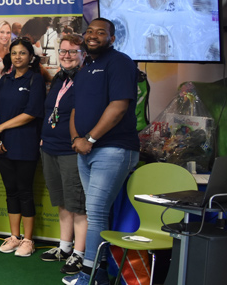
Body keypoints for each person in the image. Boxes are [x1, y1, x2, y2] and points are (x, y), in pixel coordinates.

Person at [63, 18, 139, 285]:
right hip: (85, 150)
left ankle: (89, 275)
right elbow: (75, 109)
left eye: (101, 32)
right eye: (90, 31)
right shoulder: (85, 68)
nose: (93, 35)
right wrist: (76, 138)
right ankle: (101, 273)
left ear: (112, 38)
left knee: (95, 213)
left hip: (113, 149)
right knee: (97, 212)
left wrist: (91, 138)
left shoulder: (119, 62)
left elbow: (118, 106)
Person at [0, 37, 45, 258]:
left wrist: (0, 127)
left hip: (25, 143)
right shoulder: (4, 80)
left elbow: (32, 113)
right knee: (10, 191)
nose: (18, 57)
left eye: (22, 53)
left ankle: (28, 240)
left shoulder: (36, 80)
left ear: (30, 57)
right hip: (3, 144)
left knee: (25, 191)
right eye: (14, 53)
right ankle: (14, 237)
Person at [40, 34, 87, 275]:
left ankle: (80, 254)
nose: (66, 55)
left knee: (77, 204)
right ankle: (64, 247)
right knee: (61, 201)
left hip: (70, 150)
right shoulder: (59, 78)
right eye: (63, 51)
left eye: (72, 52)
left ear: (83, 55)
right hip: (49, 147)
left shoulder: (86, 79)